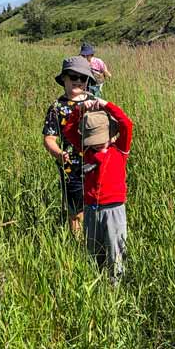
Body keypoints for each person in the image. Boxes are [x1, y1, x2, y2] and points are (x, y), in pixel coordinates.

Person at [61, 92, 133, 281]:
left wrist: (105, 104)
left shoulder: (119, 151)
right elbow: (68, 130)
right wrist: (79, 110)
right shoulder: (87, 151)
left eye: (100, 139)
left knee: (115, 251)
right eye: (93, 140)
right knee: (94, 251)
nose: (98, 144)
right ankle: (98, 282)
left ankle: (116, 285)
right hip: (91, 209)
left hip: (113, 210)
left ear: (111, 135)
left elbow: (127, 124)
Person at [42, 55, 96, 237]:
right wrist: (58, 153)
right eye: (74, 77)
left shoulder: (95, 102)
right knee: (75, 211)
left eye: (83, 78)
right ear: (64, 78)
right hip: (70, 166)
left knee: (96, 205)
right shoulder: (57, 107)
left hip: (96, 162)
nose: (78, 81)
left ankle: (95, 240)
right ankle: (78, 243)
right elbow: (49, 138)